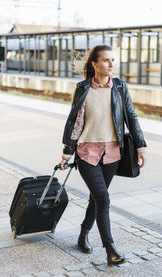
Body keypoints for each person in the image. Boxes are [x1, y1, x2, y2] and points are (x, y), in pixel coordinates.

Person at [60, 44, 147, 266]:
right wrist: (67, 152)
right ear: (95, 64)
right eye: (106, 60)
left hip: (112, 153)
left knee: (96, 198)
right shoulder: (82, 88)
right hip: (87, 152)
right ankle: (110, 249)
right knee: (103, 198)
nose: (111, 64)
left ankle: (83, 234)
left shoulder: (119, 87)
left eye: (113, 60)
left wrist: (141, 146)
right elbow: (75, 121)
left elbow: (131, 116)